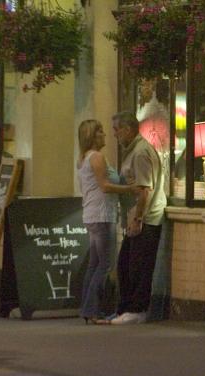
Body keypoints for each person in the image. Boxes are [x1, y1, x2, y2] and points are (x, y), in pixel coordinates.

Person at [110, 111, 167, 325]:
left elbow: (145, 190)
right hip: (135, 216)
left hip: (146, 218)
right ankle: (125, 308)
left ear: (127, 129)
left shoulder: (141, 152)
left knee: (138, 265)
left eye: (117, 130)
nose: (115, 135)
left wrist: (138, 218)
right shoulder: (133, 151)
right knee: (126, 263)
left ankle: (137, 310)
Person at [77, 119, 134, 324]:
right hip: (102, 216)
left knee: (94, 264)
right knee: (106, 264)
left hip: (92, 215)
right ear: (92, 136)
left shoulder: (83, 158)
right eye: (100, 132)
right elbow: (105, 186)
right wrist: (130, 189)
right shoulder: (97, 157)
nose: (105, 135)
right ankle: (92, 311)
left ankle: (86, 308)